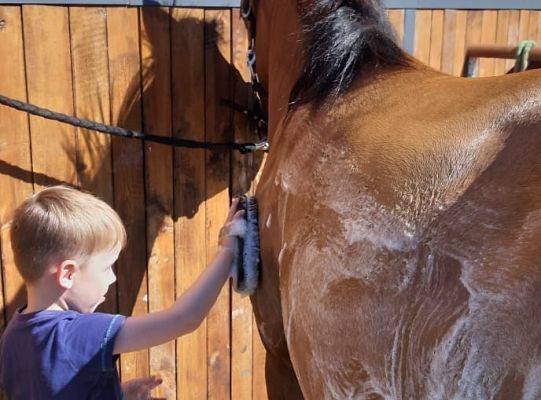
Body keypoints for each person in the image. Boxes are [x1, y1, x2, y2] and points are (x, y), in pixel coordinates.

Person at [0, 185, 244, 399]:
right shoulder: (75, 334)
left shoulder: (12, 338)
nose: (112, 277)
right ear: (68, 274)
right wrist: (228, 250)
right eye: (106, 267)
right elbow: (183, 319)